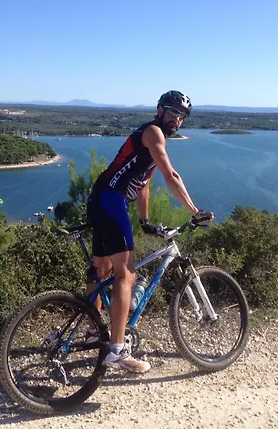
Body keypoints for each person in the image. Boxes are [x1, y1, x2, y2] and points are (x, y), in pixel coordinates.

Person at [86, 90, 214, 373]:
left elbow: (143, 184)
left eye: (182, 116)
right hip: (111, 200)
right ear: (159, 110)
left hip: (101, 199)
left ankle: (94, 332)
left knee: (101, 271)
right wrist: (194, 211)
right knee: (126, 275)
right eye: (173, 112)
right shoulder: (153, 133)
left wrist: (144, 221)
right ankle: (117, 351)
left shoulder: (152, 140)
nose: (177, 119)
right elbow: (171, 176)